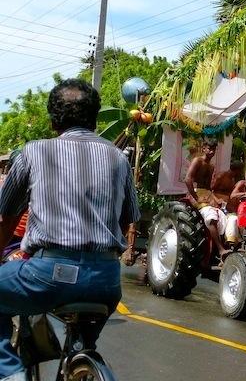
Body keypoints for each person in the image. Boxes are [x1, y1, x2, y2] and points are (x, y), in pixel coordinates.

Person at [0, 79, 140, 381]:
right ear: (94, 119)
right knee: (82, 342)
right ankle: (81, 358)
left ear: (53, 121)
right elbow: (127, 219)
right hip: (106, 282)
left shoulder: (32, 152)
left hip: (47, 275)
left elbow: (6, 218)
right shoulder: (119, 159)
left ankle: (11, 374)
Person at [184, 139, 219, 207]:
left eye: (214, 149)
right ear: (203, 149)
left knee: (219, 211)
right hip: (196, 193)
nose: (212, 151)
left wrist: (215, 199)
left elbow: (208, 187)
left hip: (206, 195)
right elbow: (187, 180)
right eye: (209, 149)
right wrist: (197, 198)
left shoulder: (211, 166)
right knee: (208, 213)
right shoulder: (197, 161)